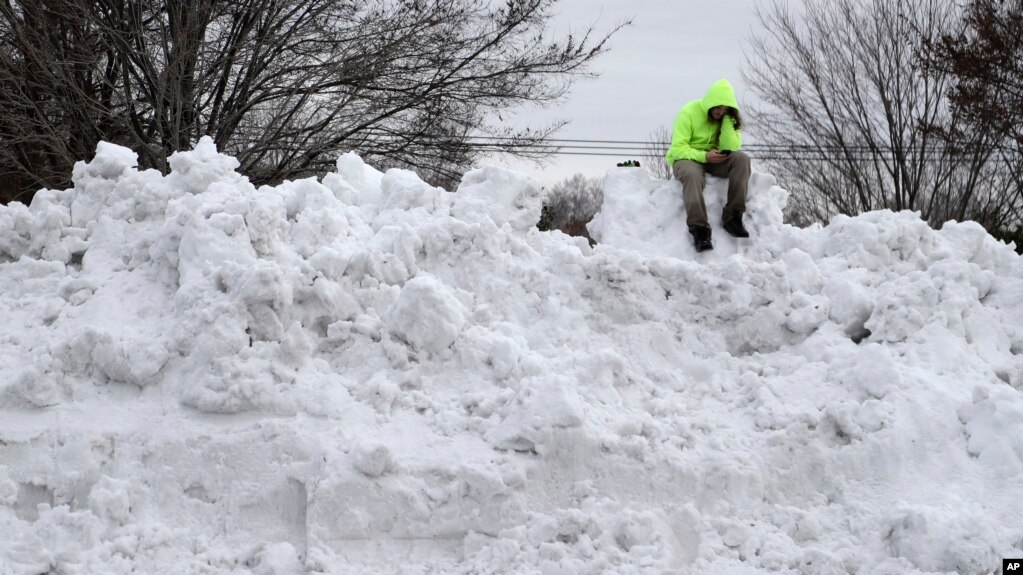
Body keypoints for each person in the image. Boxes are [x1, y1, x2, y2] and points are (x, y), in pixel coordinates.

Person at [665, 79, 751, 252]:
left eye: (726, 109)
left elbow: (732, 147)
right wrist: (704, 156)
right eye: (718, 107)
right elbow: (678, 148)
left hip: (714, 160)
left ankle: (733, 218)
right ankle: (700, 230)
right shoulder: (688, 112)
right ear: (710, 102)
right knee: (693, 176)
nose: (720, 112)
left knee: (742, 159)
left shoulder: (726, 118)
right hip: (686, 158)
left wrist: (727, 122)